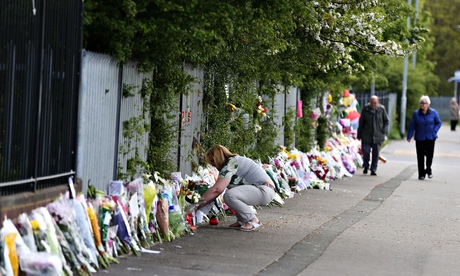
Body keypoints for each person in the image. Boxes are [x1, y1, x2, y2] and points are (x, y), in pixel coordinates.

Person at [197, 145, 276, 231]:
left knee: (230, 195)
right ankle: (242, 220)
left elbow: (217, 189)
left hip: (264, 190)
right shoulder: (234, 161)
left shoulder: (231, 163)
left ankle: (252, 220)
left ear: (218, 158)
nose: (213, 165)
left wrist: (196, 204)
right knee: (232, 192)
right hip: (265, 190)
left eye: (212, 161)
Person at [407, 95, 442, 180]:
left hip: (430, 137)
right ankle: (421, 174)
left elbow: (438, 123)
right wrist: (409, 136)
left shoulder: (433, 113)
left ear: (428, 104)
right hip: (420, 137)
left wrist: (434, 131)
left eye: (423, 103)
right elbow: (412, 125)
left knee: (430, 155)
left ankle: (428, 169)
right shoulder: (416, 114)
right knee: (420, 156)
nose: (422, 105)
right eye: (421, 103)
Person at [357, 95, 389, 176]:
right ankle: (366, 165)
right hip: (366, 135)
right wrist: (359, 134)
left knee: (376, 153)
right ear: (369, 102)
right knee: (366, 151)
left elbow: (386, 121)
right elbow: (361, 122)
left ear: (378, 103)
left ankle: (373, 169)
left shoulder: (381, 109)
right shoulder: (365, 109)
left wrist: (384, 130)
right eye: (372, 103)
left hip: (378, 136)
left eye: (375, 103)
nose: (373, 105)